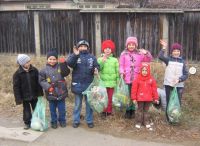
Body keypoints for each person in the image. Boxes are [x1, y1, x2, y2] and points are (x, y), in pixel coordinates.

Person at [67, 39, 99, 128]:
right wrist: (75, 55)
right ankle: (76, 120)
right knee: (77, 104)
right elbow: (70, 64)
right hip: (78, 85)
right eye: (81, 46)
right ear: (78, 48)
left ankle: (89, 120)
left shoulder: (92, 57)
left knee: (89, 104)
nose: (83, 48)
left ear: (87, 48)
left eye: (85, 46)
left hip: (89, 85)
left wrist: (96, 69)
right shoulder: (75, 56)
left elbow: (96, 66)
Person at [119, 36, 153, 119]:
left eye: (133, 44)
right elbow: (121, 65)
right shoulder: (123, 54)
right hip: (127, 77)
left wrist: (146, 53)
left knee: (135, 95)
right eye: (129, 44)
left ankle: (133, 110)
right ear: (127, 45)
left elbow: (148, 59)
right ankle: (128, 110)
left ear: (136, 45)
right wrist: (121, 72)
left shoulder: (140, 54)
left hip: (137, 78)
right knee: (128, 94)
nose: (131, 46)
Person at [39, 48, 70, 129]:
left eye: (54, 59)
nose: (52, 61)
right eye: (50, 59)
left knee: (62, 109)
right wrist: (48, 87)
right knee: (52, 110)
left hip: (61, 92)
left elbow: (66, 73)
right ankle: (53, 122)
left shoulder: (60, 67)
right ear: (47, 59)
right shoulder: (43, 70)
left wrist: (64, 64)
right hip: (51, 93)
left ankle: (62, 121)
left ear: (57, 59)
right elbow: (41, 81)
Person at [159, 39, 188, 123]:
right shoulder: (168, 60)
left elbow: (186, 74)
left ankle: (175, 118)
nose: (176, 52)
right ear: (172, 52)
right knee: (168, 101)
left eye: (178, 51)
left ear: (180, 52)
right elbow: (160, 56)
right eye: (174, 51)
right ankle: (168, 119)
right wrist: (164, 47)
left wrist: (180, 79)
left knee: (177, 102)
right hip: (168, 84)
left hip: (179, 86)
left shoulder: (183, 62)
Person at [13, 54, 43, 129]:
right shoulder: (17, 74)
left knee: (36, 109)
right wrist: (18, 99)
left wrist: (40, 93)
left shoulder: (34, 70)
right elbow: (16, 87)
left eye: (29, 61)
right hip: (24, 96)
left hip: (34, 94)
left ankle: (37, 121)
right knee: (26, 111)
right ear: (22, 64)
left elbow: (38, 82)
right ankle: (27, 122)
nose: (28, 63)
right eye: (26, 62)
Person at [131, 62, 159, 130]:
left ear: (148, 71)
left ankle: (146, 122)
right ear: (140, 71)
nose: (144, 72)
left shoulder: (151, 79)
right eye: (143, 70)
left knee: (146, 111)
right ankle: (138, 122)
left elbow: (154, 90)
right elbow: (134, 89)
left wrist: (156, 98)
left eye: (146, 70)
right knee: (140, 110)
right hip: (140, 98)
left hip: (148, 99)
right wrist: (134, 98)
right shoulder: (137, 79)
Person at [97, 40, 119, 119]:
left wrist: (118, 80)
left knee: (110, 98)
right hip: (103, 83)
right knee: (103, 98)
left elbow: (117, 71)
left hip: (112, 83)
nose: (107, 50)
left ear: (111, 50)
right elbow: (99, 68)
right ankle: (103, 111)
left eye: (109, 48)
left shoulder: (115, 60)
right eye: (106, 48)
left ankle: (109, 111)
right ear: (103, 49)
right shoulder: (100, 59)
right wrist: (103, 60)